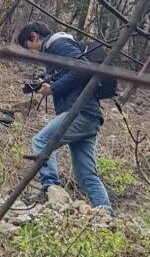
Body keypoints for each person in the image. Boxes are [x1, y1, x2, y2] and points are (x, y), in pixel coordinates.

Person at [16, 21, 114, 213]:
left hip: (79, 112)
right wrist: (47, 82)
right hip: (89, 116)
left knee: (41, 141)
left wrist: (53, 88)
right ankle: (106, 214)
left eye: (29, 47)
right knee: (85, 174)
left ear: (34, 37)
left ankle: (50, 189)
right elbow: (72, 72)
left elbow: (82, 68)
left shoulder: (57, 44)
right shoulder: (59, 48)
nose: (32, 52)